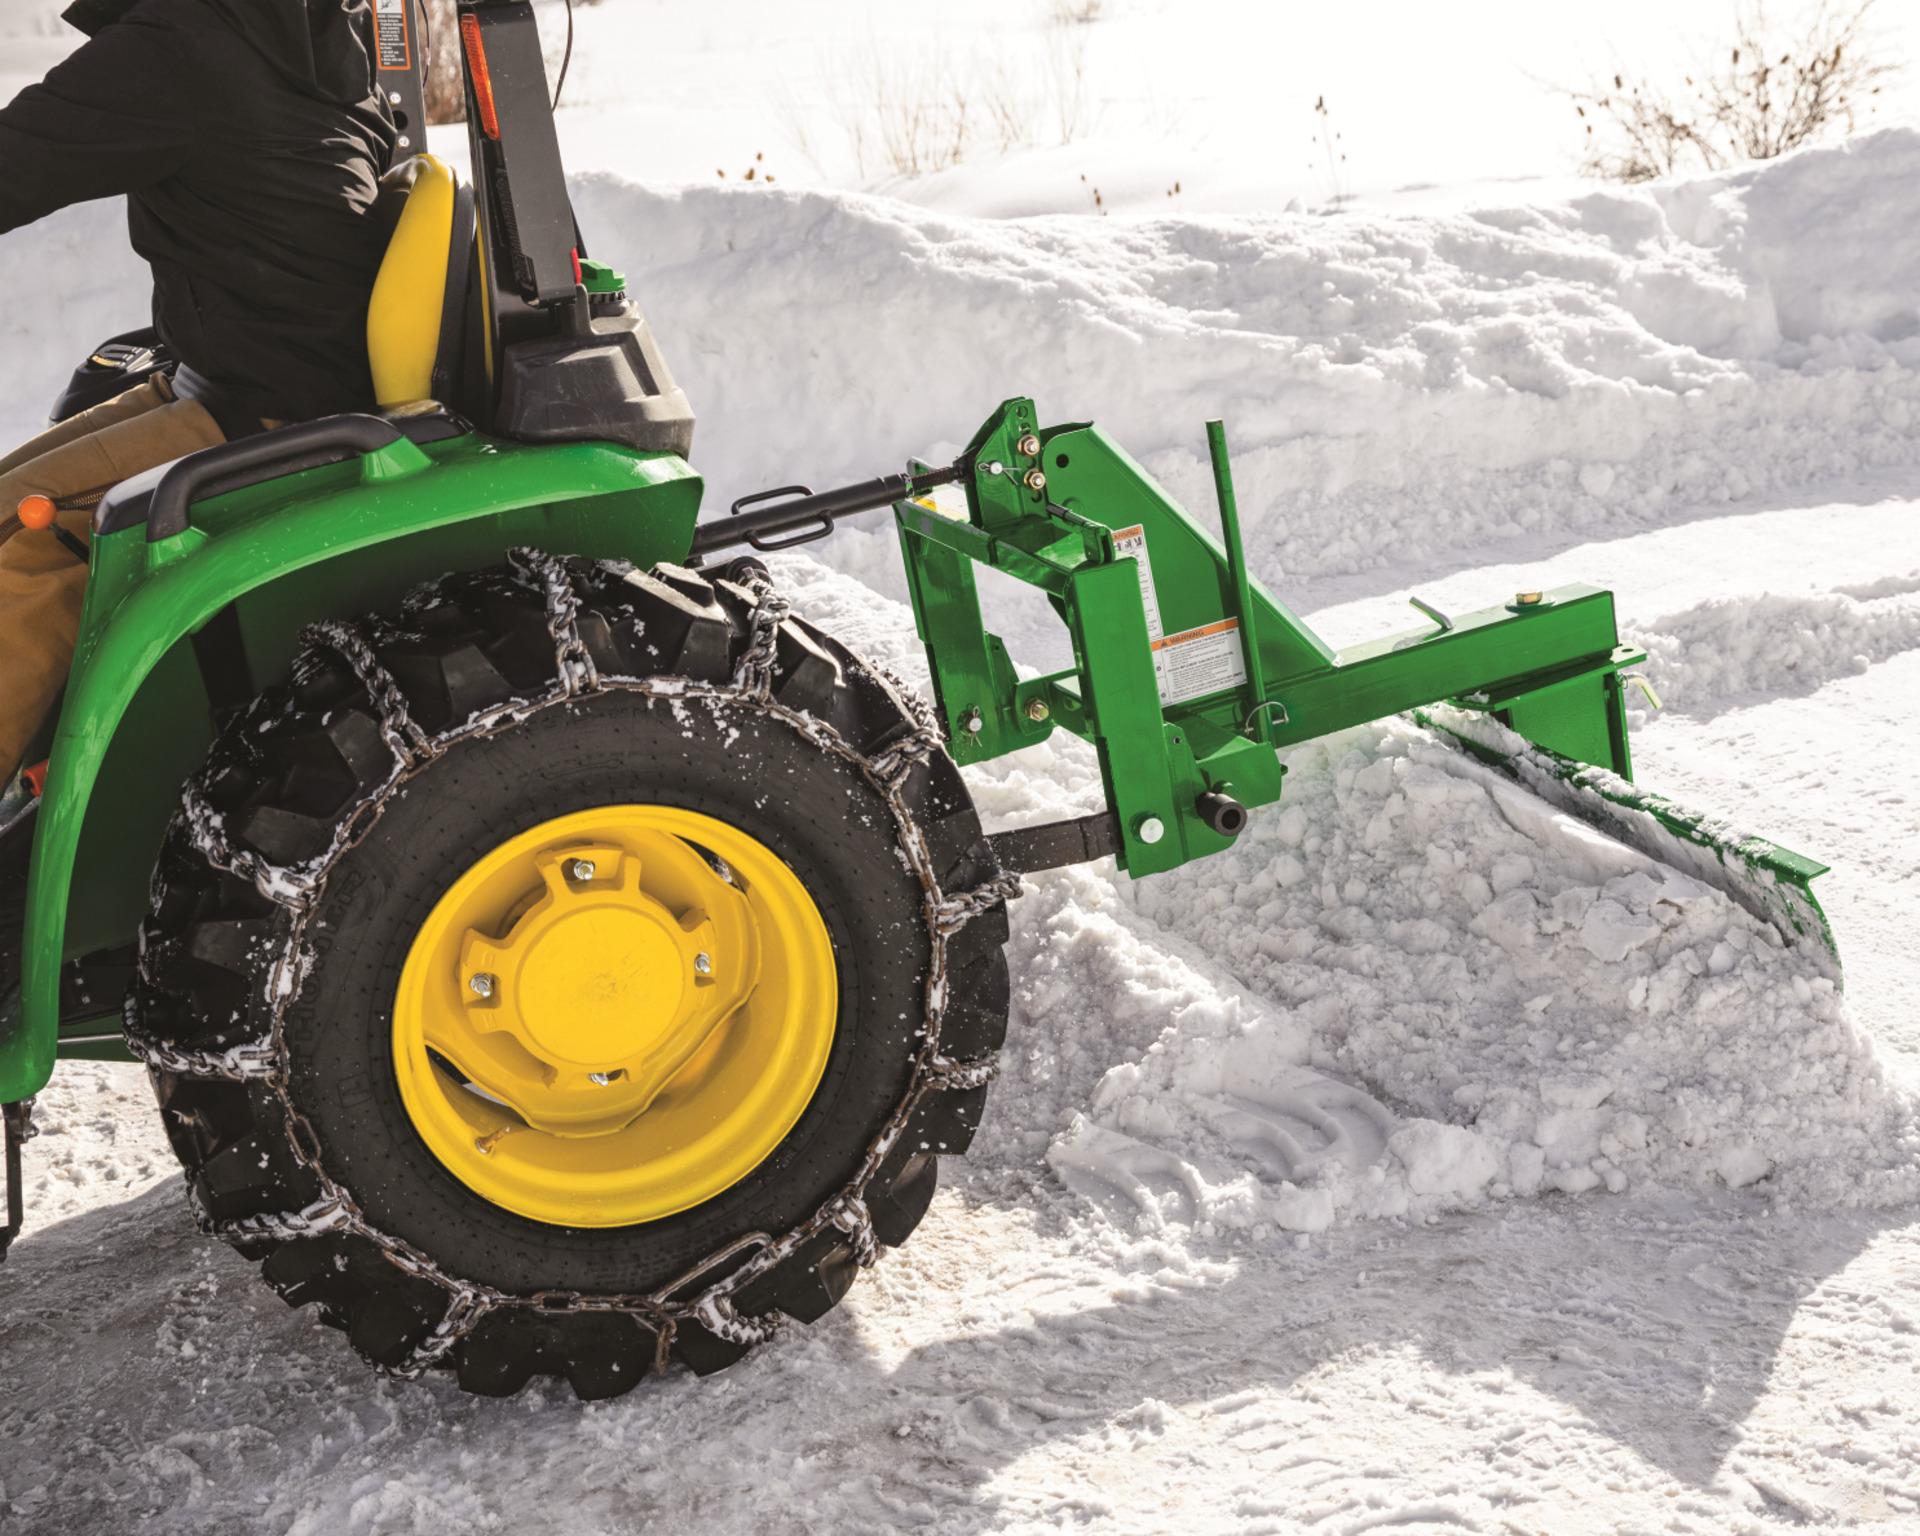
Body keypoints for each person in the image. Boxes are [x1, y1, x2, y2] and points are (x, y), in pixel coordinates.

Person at [0, 0, 398, 788]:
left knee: (24, 558)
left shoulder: (182, 47)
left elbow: (16, 160)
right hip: (240, 373)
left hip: (269, 406)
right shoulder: (302, 32)